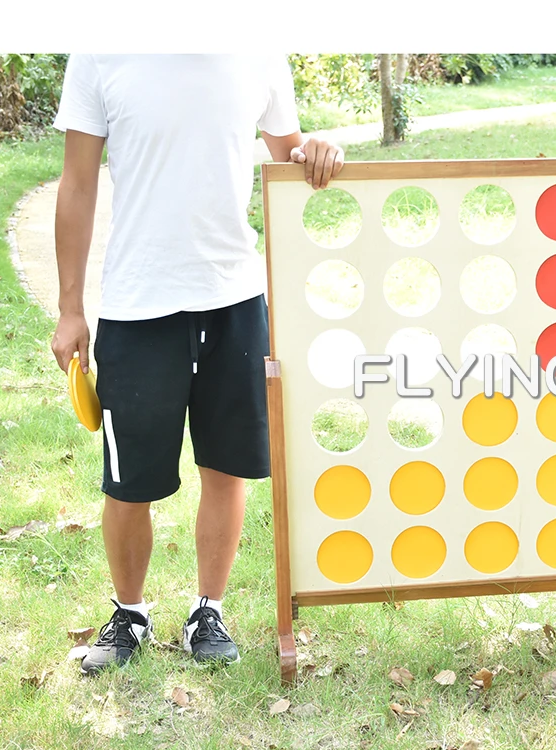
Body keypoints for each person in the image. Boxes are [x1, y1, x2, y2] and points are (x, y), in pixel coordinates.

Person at [50, 54, 344, 674]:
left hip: (233, 298)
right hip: (137, 304)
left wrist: (316, 150)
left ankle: (208, 612)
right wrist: (70, 309)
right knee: (128, 483)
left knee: (226, 469)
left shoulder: (258, 44)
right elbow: (77, 183)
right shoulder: (100, 46)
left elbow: (287, 152)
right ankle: (129, 614)